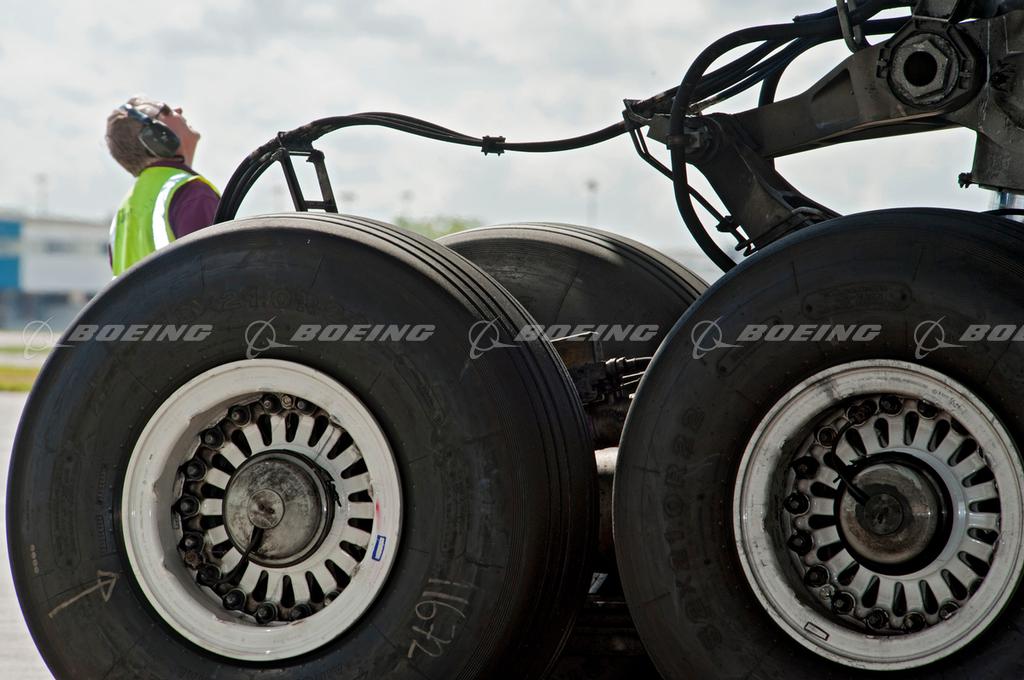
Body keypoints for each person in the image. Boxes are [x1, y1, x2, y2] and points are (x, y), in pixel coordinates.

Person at [105, 96, 220, 275]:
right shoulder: (191, 193)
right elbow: (216, 277)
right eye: (165, 111)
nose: (179, 110)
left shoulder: (123, 212)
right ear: (157, 136)